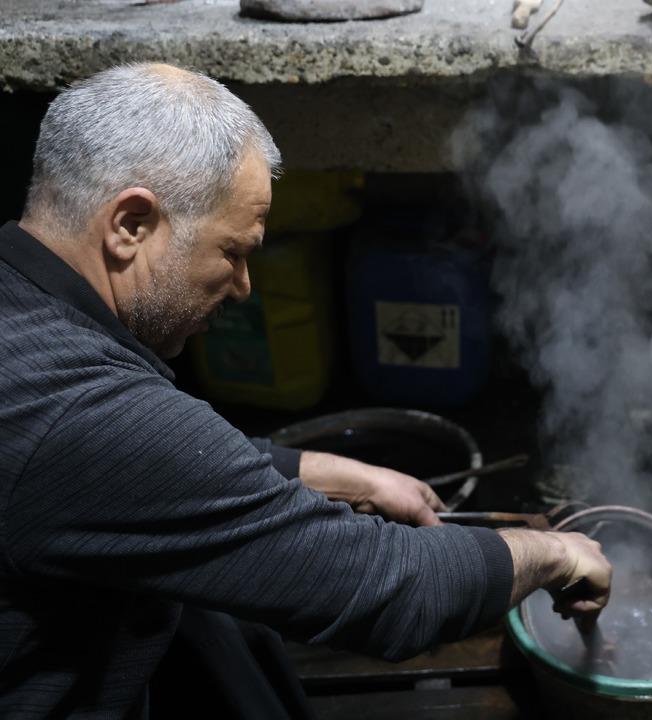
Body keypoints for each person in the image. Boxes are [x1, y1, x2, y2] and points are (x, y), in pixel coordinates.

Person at [0, 62, 611, 718]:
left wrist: (351, 478)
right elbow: (387, 589)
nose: (243, 286)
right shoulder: (83, 413)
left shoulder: (28, 318)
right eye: (234, 252)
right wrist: (554, 552)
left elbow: (167, 475)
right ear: (131, 224)